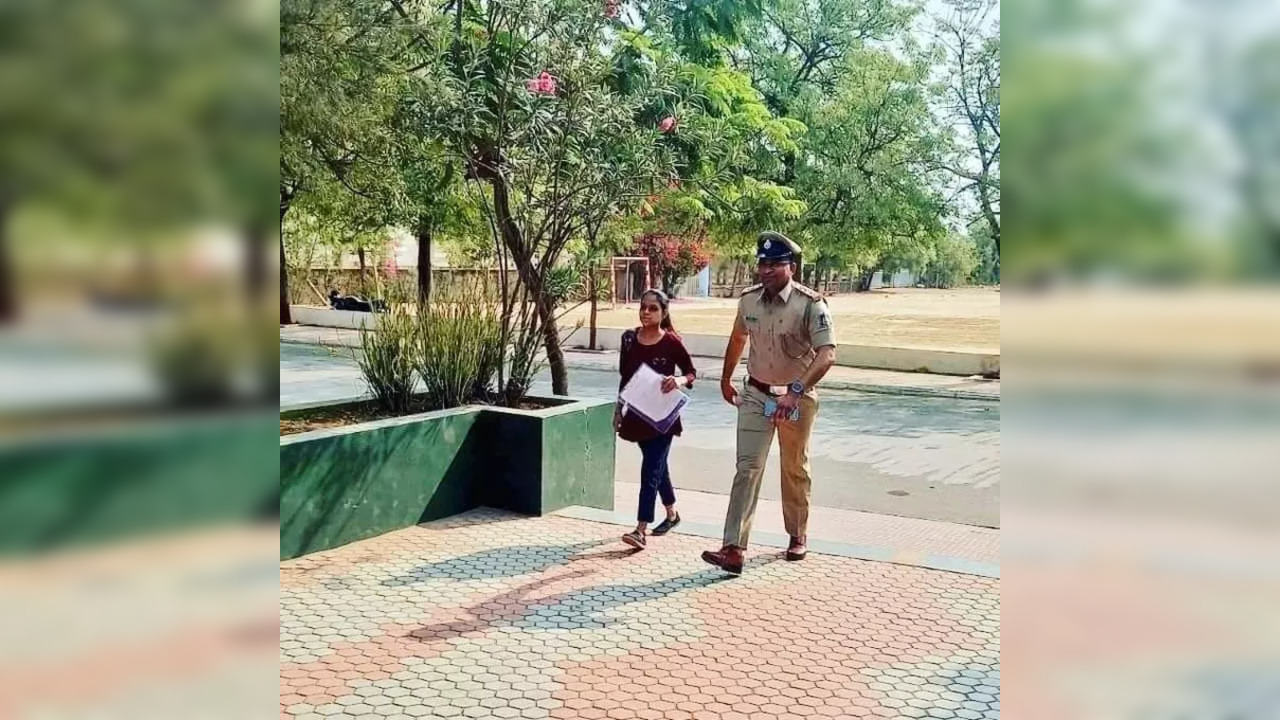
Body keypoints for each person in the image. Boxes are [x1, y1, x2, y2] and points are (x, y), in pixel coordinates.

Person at [701, 232, 837, 575]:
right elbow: (737, 337)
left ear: (791, 267)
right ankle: (733, 548)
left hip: (796, 400)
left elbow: (827, 354)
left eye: (774, 264)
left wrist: (796, 390)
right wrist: (725, 377)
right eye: (762, 264)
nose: (766, 270)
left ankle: (797, 534)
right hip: (756, 394)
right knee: (747, 468)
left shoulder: (811, 304)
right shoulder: (748, 301)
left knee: (794, 469)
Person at [614, 289, 697, 550]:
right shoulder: (628, 339)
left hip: (663, 418)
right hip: (638, 414)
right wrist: (618, 409)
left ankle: (641, 529)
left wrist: (679, 381)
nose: (646, 312)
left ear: (664, 312)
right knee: (658, 467)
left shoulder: (671, 342)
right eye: (643, 307)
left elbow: (691, 372)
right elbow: (625, 378)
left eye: (653, 308)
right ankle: (672, 515)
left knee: (650, 469)